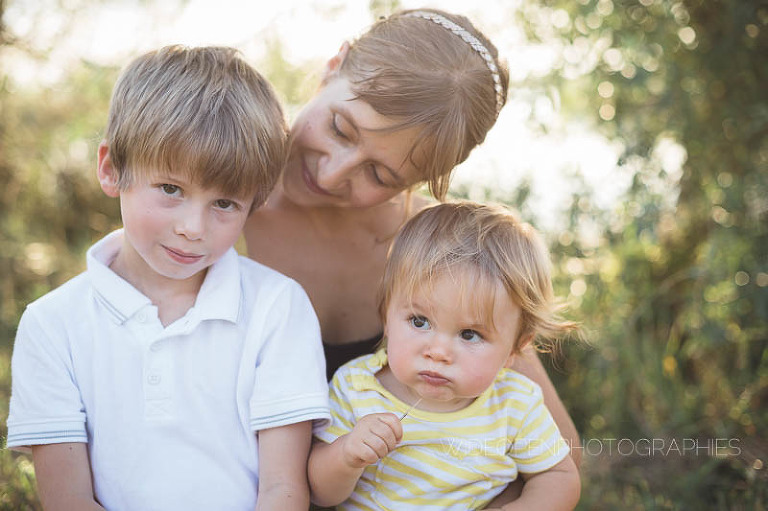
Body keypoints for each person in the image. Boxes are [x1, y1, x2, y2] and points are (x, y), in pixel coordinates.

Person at [243, 6, 582, 493]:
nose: (331, 173)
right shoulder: (219, 211)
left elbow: (557, 459)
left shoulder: (440, 257)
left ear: (422, 181)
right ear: (335, 64)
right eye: (340, 127)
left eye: (381, 175)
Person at [6, 45, 330, 511]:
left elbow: (282, 490)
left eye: (224, 204)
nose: (193, 228)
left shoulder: (277, 307)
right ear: (111, 169)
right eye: (171, 190)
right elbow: (68, 499)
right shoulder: (53, 324)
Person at [308, 201, 581, 510]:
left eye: (469, 334)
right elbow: (320, 493)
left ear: (515, 349)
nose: (437, 352)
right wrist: (346, 455)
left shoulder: (514, 405)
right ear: (386, 318)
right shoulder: (357, 388)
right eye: (419, 321)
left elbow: (559, 477)